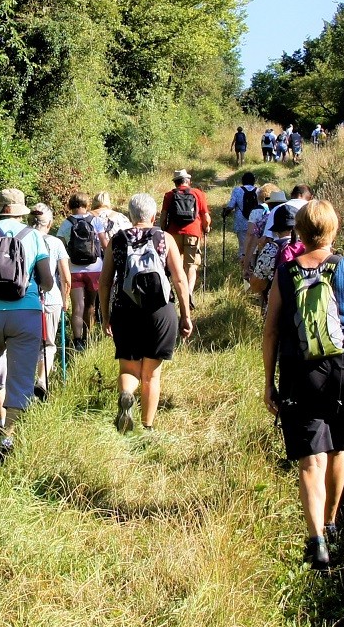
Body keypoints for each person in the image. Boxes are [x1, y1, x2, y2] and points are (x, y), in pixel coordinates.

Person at [262, 201, 344, 569]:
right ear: (334, 230)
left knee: (310, 459)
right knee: (338, 452)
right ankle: (332, 523)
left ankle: (316, 539)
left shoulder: (285, 274)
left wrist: (269, 382)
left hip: (302, 374)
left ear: (299, 233)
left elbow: (271, 331)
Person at [0, 188, 56, 451]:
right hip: (25, 311)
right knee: (22, 373)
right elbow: (48, 281)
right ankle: (9, 434)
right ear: (20, 210)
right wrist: (40, 289)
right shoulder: (35, 237)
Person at [99, 193, 193, 433]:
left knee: (128, 368)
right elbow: (180, 279)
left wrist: (106, 316)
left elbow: (105, 283)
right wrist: (185, 315)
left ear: (131, 216)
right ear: (154, 216)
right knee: (151, 374)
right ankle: (147, 427)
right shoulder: (164, 238)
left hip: (125, 309)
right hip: (160, 309)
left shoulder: (117, 240)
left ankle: (126, 395)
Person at [56, 192, 110, 352]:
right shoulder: (95, 220)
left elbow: (60, 247)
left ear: (70, 206)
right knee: (91, 305)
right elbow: (105, 244)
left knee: (77, 306)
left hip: (73, 270)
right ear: (87, 205)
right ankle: (89, 337)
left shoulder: (66, 224)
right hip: (95, 269)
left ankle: (78, 341)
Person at [29, 202, 71, 394]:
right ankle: (42, 380)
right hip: (51, 299)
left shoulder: (23, 240)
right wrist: (66, 299)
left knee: (29, 342)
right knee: (49, 343)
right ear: (50, 222)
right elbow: (65, 277)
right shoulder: (56, 243)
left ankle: (25, 382)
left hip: (27, 299)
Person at [159, 169, 210, 305]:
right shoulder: (198, 194)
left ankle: (174, 292)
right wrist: (206, 227)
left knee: (174, 265)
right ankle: (188, 292)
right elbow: (206, 217)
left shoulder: (169, 195)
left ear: (176, 182)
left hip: (173, 234)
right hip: (193, 233)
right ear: (188, 181)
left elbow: (163, 216)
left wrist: (163, 230)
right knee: (191, 265)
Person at [243, 185, 283, 280]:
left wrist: (246, 261)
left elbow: (252, 237)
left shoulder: (264, 220)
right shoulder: (292, 216)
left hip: (268, 256)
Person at [222, 171, 259, 262]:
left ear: (243, 181)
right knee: (255, 246)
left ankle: (243, 266)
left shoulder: (237, 190)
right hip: (256, 222)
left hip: (241, 221)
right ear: (253, 181)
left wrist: (225, 213)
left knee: (243, 246)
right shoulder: (259, 190)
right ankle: (253, 265)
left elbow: (231, 205)